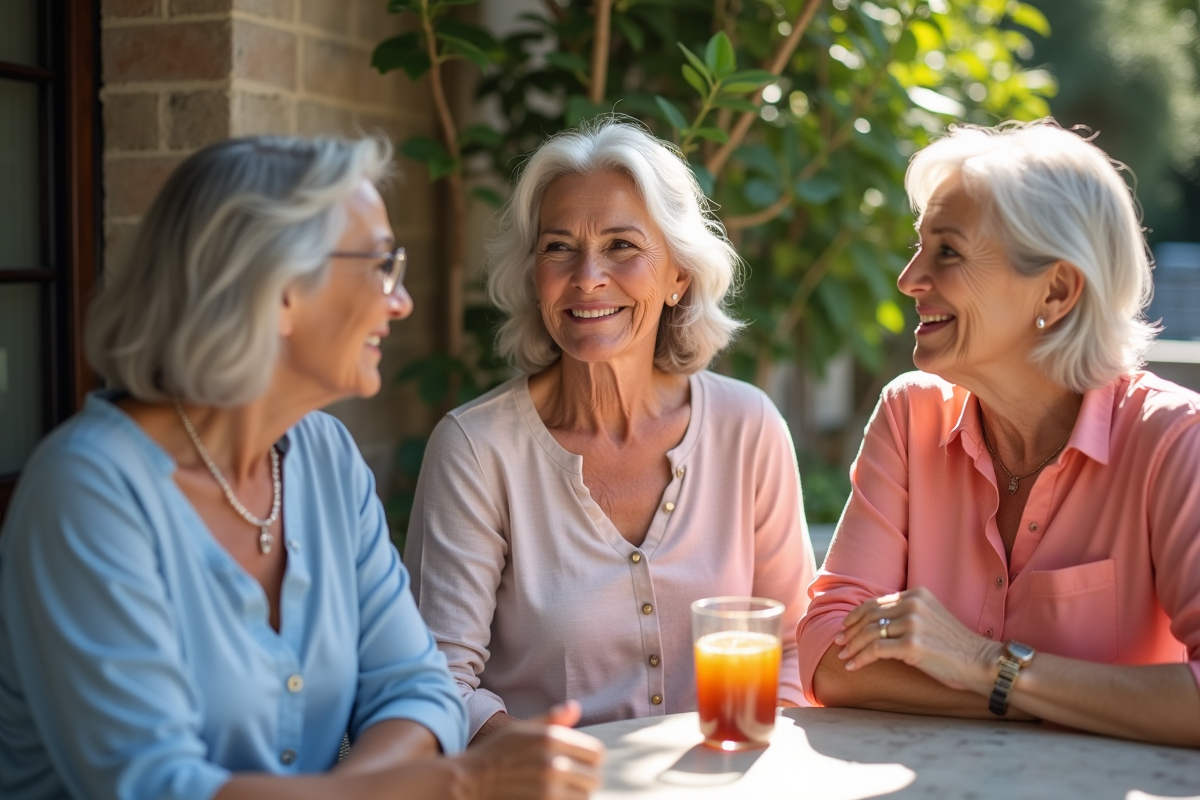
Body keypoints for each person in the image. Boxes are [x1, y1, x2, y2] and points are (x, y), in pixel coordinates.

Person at [0, 136, 604, 800]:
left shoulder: (324, 457)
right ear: (280, 288)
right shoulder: (86, 494)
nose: (398, 301)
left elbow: (416, 688)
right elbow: (157, 787)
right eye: (380, 266)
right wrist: (456, 783)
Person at [404, 120, 817, 744]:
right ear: (534, 274)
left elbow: (791, 645)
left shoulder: (748, 426)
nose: (588, 276)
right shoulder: (476, 448)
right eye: (559, 247)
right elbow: (435, 676)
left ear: (678, 274)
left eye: (622, 245)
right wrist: (527, 758)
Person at [796, 120, 1200, 747]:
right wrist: (1026, 697)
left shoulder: (1175, 441)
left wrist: (983, 662)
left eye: (947, 251)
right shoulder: (909, 416)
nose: (909, 279)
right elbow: (826, 651)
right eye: (918, 246)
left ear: (1057, 290)